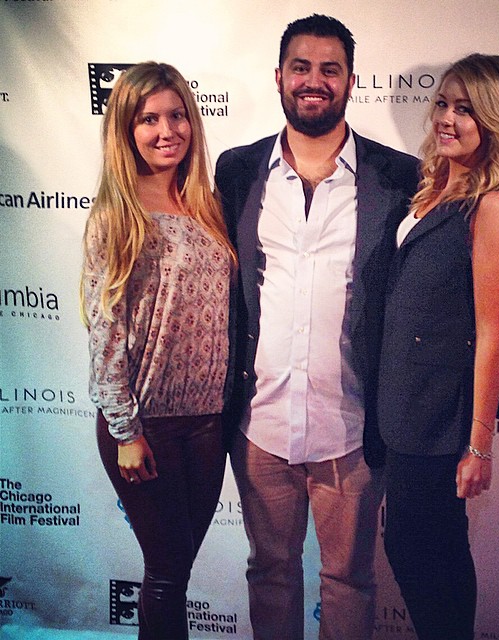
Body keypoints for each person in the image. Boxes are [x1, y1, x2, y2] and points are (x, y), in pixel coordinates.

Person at [215, 14, 420, 640]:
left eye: (330, 69)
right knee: (270, 572)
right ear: (278, 77)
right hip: (261, 426)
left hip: (353, 429)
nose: (314, 80)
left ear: (351, 81)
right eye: (301, 67)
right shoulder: (235, 170)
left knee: (349, 581)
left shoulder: (399, 176)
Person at [80, 61, 236, 640]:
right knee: (167, 573)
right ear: (126, 129)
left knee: (178, 570)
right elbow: (104, 332)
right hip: (145, 427)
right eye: (149, 119)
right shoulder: (116, 216)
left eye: (177, 116)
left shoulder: (207, 206)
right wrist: (125, 430)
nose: (166, 130)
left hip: (207, 423)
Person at [377, 53, 499, 640]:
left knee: (427, 561)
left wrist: (479, 448)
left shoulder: (490, 208)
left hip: (439, 423)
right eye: (442, 103)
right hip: (403, 413)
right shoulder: (433, 188)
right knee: (418, 554)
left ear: (495, 121)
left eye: (466, 109)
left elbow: (491, 335)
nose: (447, 118)